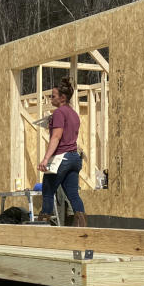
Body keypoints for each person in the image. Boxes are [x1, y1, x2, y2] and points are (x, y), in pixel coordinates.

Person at [37, 77, 86, 227]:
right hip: (74, 158)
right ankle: (83, 229)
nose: (51, 98)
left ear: (62, 98)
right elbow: (67, 134)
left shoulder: (59, 112)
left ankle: (43, 227)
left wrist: (46, 159)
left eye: (53, 96)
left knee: (47, 190)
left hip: (62, 157)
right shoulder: (74, 114)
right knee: (73, 194)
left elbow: (57, 137)